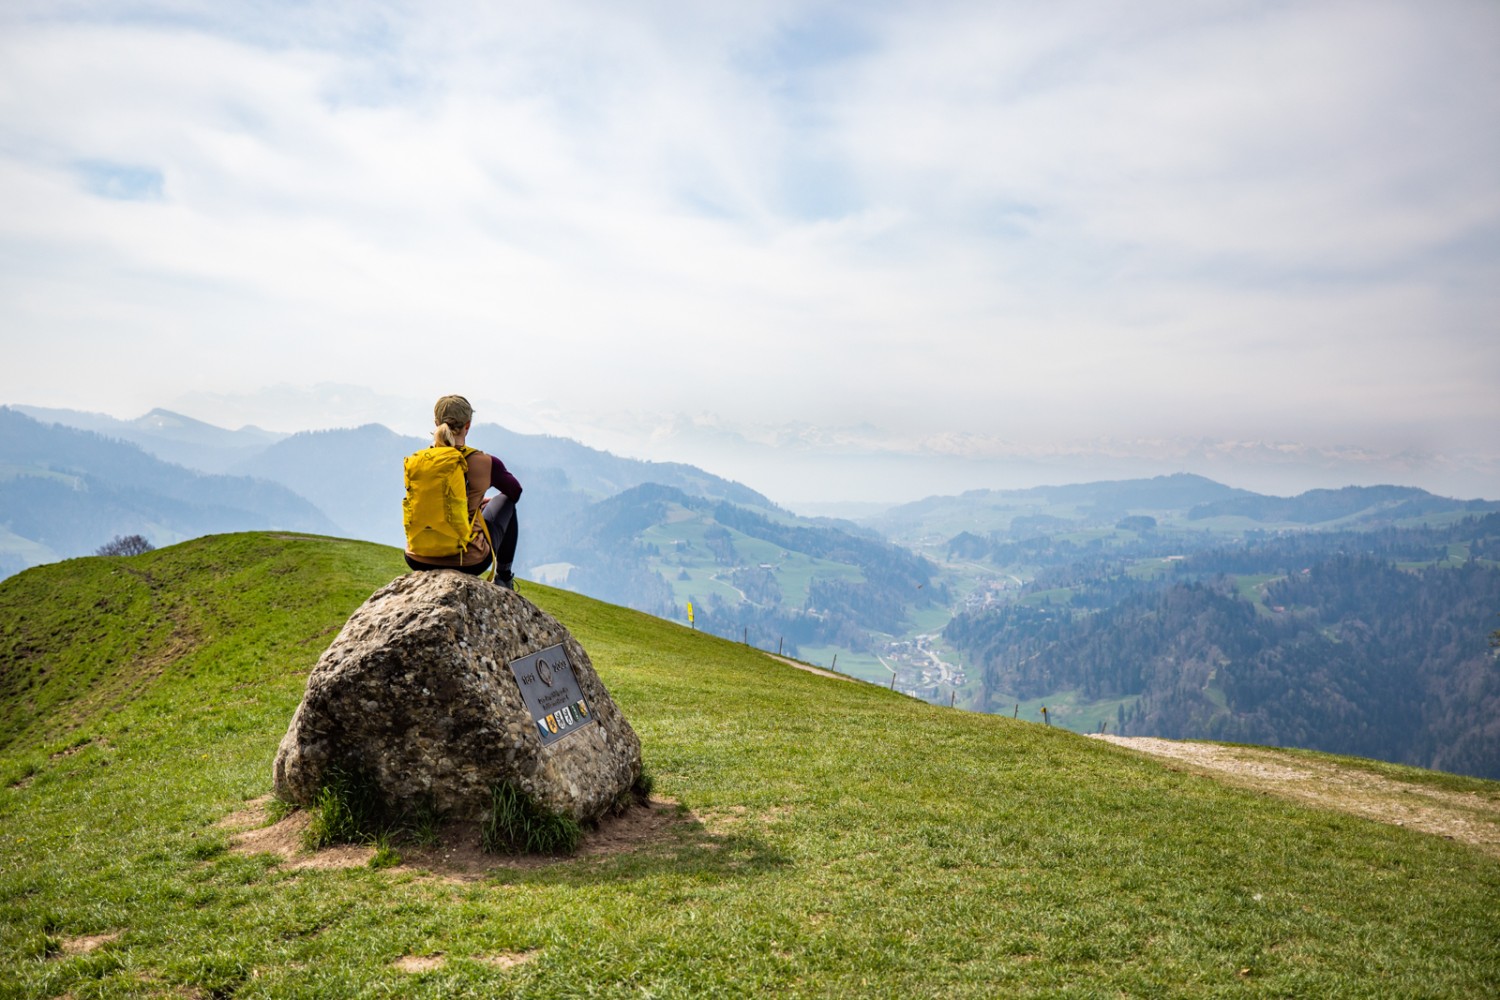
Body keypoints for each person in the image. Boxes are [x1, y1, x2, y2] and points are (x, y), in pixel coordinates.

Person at [403, 394, 522, 587]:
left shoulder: (419, 461)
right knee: (505, 501)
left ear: (436, 423)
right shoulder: (485, 462)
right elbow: (514, 492)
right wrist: (480, 502)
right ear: (468, 425)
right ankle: (504, 578)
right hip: (468, 560)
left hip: (417, 557)